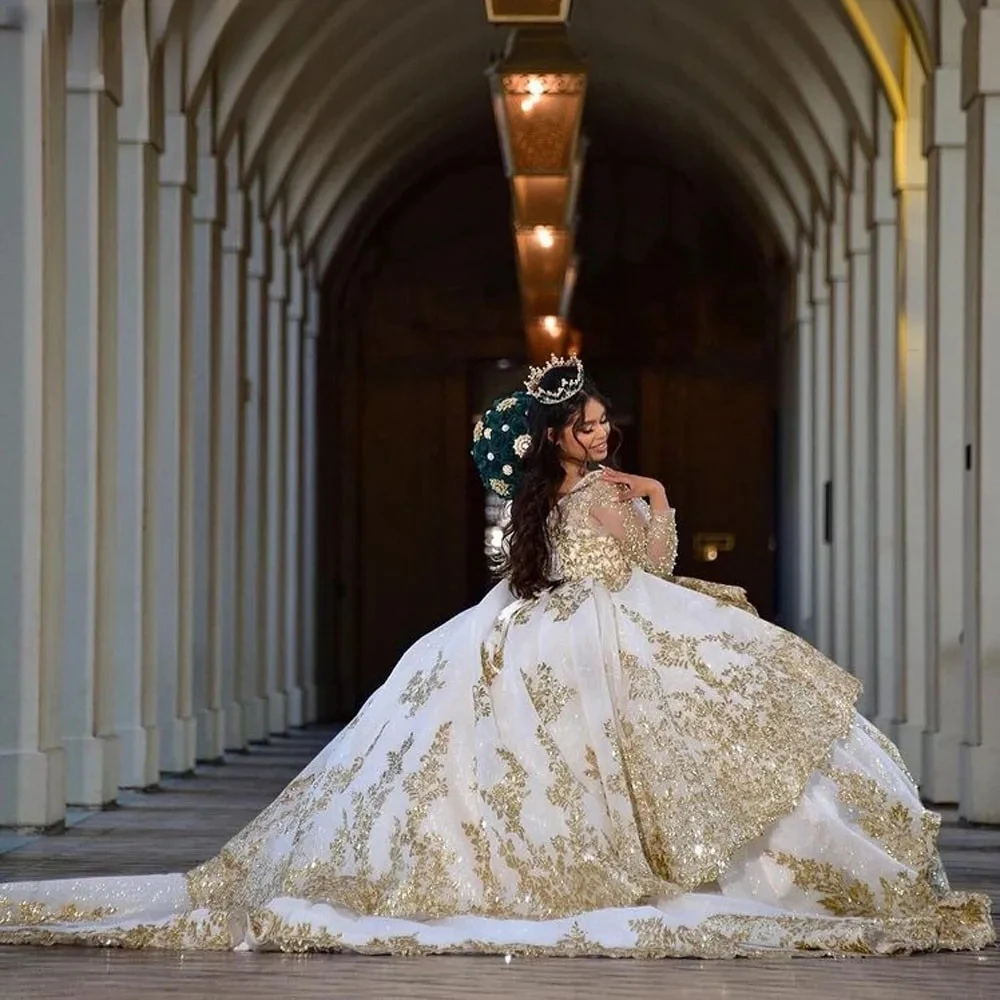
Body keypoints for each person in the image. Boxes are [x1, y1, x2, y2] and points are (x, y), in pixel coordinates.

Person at [0, 355, 993, 957]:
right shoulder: (602, 494)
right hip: (611, 628)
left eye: (607, 424)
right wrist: (651, 495)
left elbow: (607, 568)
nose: (604, 435)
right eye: (592, 426)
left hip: (561, 626)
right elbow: (651, 563)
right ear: (562, 434)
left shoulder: (545, 505)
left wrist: (639, 497)